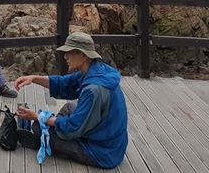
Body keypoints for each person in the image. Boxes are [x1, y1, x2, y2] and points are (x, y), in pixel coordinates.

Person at [13, 32, 128, 169]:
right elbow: (64, 83)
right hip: (110, 138)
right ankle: (53, 134)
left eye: (69, 52)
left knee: (38, 127)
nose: (65, 56)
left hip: (103, 152)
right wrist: (33, 78)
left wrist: (39, 117)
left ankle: (46, 140)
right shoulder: (97, 70)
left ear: (84, 55)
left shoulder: (93, 90)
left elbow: (74, 127)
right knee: (68, 108)